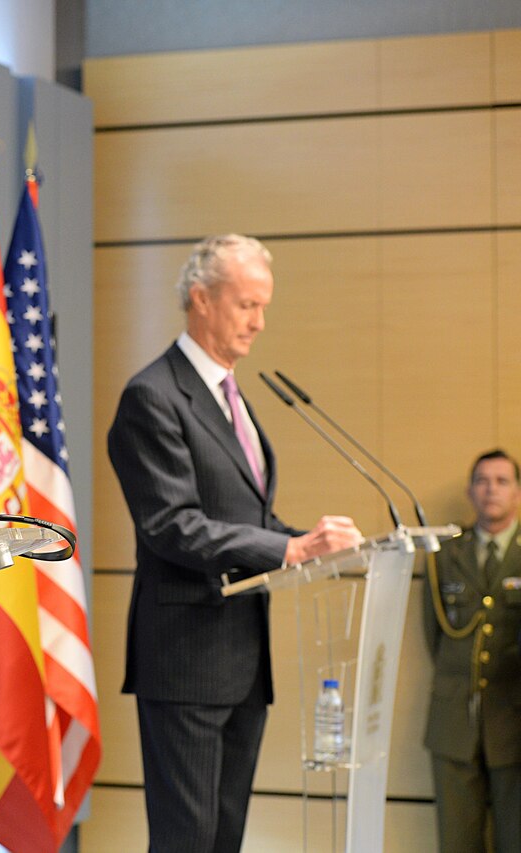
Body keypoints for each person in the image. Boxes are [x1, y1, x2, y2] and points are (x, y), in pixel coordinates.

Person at [106, 234, 362, 853]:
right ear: (201, 299)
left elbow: (248, 516)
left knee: (225, 839)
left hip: (242, 660)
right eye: (248, 305)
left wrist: (308, 541)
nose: (260, 323)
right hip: (187, 660)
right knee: (187, 840)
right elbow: (172, 524)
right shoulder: (154, 396)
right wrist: (286, 551)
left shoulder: (234, 395)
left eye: (263, 307)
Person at [423, 449, 521, 853]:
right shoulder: (444, 555)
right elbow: (434, 634)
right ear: (470, 491)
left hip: (514, 722)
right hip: (453, 722)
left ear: (517, 491)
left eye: (501, 481)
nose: (491, 490)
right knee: (457, 841)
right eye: (482, 481)